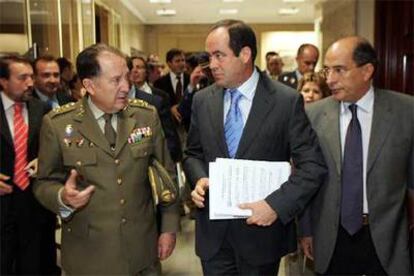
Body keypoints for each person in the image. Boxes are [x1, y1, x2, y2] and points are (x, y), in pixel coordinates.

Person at [183, 19, 326, 275]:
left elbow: (312, 166)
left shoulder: (286, 101)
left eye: (219, 56)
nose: (211, 65)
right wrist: (200, 178)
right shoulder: (202, 100)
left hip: (262, 238)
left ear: (245, 54)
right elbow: (193, 153)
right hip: (214, 239)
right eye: (209, 56)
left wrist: (276, 206)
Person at [34, 43, 180, 275]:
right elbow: (43, 182)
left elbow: (167, 175)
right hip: (89, 256)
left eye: (126, 77)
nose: (125, 87)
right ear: (89, 85)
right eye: (115, 80)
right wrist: (62, 197)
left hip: (141, 252)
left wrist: (169, 228)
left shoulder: (145, 116)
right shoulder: (58, 125)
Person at [299, 36, 413, 275]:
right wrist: (306, 230)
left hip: (386, 237)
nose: (330, 79)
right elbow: (305, 178)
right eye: (327, 70)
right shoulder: (313, 115)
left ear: (367, 70)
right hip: (331, 236)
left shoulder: (406, 112)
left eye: (339, 70)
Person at [0, 56, 60, 275]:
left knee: (37, 263)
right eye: (22, 78)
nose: (30, 83)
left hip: (35, 202)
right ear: (3, 81)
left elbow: (53, 149)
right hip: (3, 203)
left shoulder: (41, 109)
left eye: (31, 77)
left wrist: (42, 159)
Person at [128, 55, 182, 162]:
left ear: (146, 71)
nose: (135, 71)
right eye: (132, 68)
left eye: (139, 67)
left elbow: (168, 134)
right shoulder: (119, 99)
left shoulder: (158, 98)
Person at [154, 48, 190, 123]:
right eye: (177, 61)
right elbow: (158, 105)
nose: (181, 64)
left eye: (183, 60)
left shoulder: (191, 80)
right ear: (169, 63)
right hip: (169, 124)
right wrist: (170, 109)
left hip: (189, 124)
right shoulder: (159, 83)